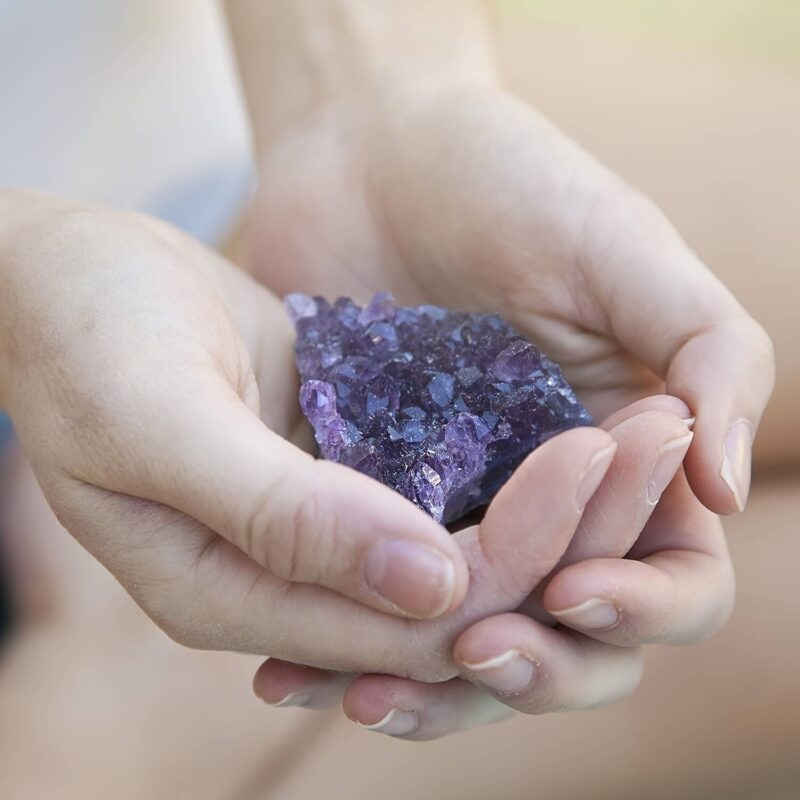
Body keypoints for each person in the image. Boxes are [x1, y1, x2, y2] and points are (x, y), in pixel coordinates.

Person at [0, 0, 774, 754]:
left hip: (207, 148)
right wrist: (21, 291)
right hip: (60, 282)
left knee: (657, 539)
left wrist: (369, 96)